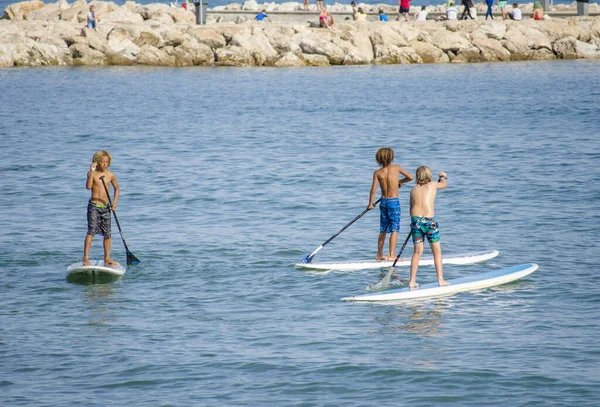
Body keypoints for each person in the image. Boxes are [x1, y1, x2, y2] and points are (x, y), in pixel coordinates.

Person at [367, 148, 414, 261]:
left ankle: (379, 254)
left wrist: (370, 204)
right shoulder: (396, 168)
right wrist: (399, 182)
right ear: (391, 158)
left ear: (379, 159)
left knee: (383, 228)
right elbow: (411, 177)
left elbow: (373, 190)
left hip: (383, 202)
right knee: (394, 228)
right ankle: (391, 255)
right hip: (394, 202)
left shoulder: (377, 172)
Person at [407, 166, 450, 289]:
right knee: (436, 251)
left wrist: (414, 224)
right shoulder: (432, 185)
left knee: (417, 252)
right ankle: (440, 280)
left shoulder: (413, 189)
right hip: (429, 221)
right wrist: (442, 176)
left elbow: (411, 208)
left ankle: (412, 281)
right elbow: (444, 184)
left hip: (415, 221)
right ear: (429, 176)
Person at [83, 150, 120, 267]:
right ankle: (85, 258)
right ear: (97, 162)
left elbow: (117, 189)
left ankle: (107, 258)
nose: (105, 164)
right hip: (94, 206)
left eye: (106, 162)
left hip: (106, 207)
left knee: (108, 234)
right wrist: (91, 172)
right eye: (102, 162)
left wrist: (114, 203)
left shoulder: (110, 175)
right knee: (91, 231)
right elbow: (88, 187)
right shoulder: (92, 174)